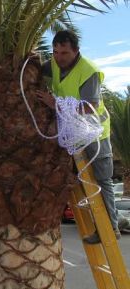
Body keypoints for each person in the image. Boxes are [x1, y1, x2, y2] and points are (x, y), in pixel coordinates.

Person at [37, 30, 120, 244]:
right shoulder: (54, 65)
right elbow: (34, 69)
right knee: (67, 175)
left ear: (76, 51)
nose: (58, 57)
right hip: (72, 132)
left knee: (102, 180)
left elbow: (90, 107)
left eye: (64, 53)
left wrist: (53, 104)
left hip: (95, 133)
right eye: (55, 52)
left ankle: (111, 228)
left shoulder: (88, 71)